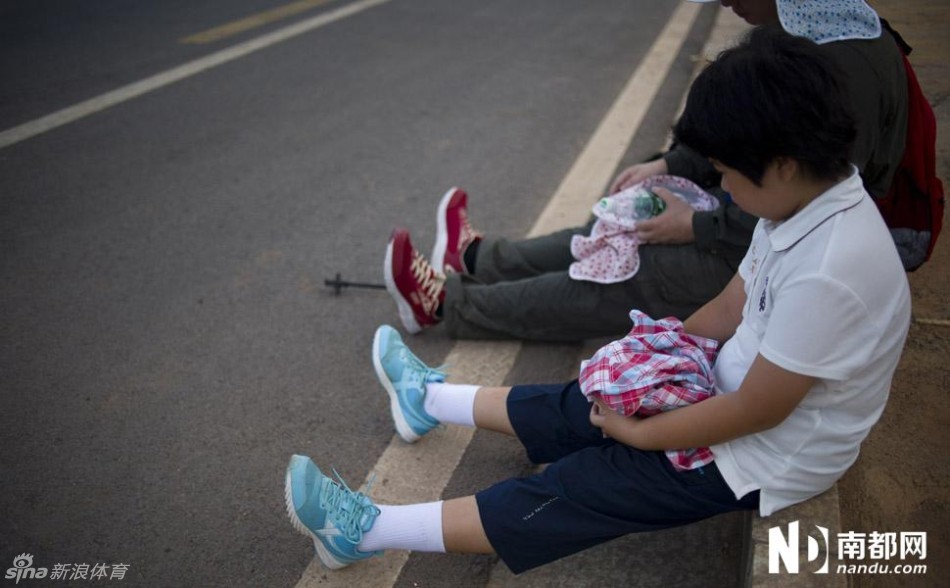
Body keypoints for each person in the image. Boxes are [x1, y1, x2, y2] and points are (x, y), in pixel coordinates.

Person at [285, 27, 911, 574]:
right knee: (587, 397)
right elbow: (731, 303)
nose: (718, 184)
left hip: (759, 458)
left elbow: (756, 412)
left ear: (780, 164)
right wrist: (653, 357)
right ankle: (425, 400)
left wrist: (643, 436)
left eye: (725, 170)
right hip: (724, 394)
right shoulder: (798, 204)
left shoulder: (833, 271)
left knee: (578, 489)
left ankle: (361, 532)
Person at [383, 0, 908, 341]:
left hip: (765, 246)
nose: (722, 2)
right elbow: (748, 137)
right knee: (627, 222)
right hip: (756, 230)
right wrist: (670, 168)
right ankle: (475, 257)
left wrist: (696, 226)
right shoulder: (812, 27)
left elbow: (806, 215)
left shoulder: (846, 68)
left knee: (632, 271)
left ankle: (445, 306)